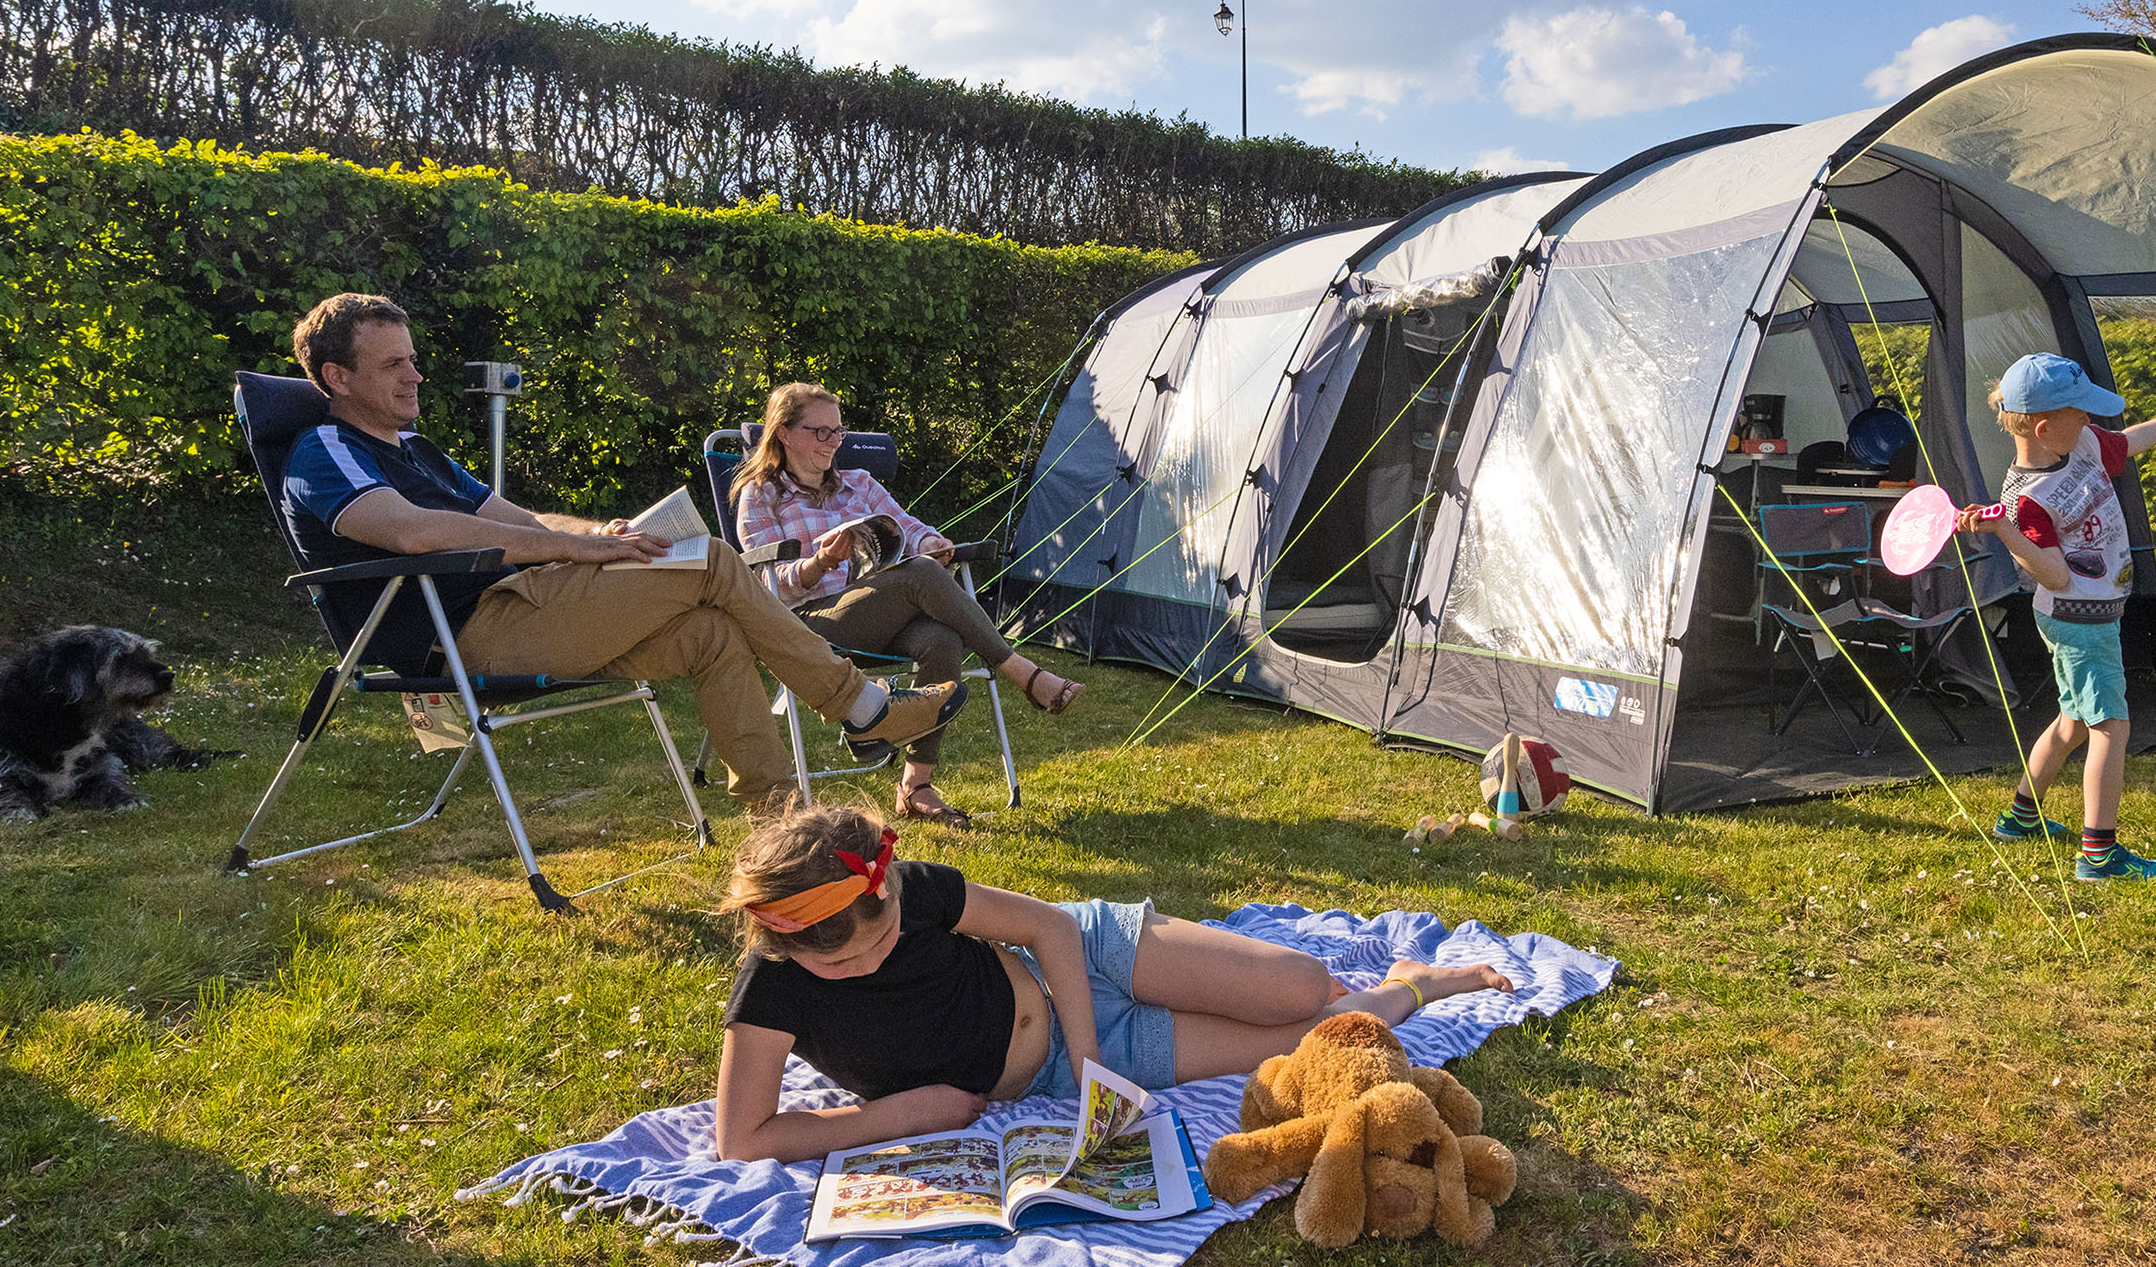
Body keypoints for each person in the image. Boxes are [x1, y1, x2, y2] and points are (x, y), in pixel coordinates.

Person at [277, 294, 959, 813]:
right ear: (337, 376)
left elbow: (518, 517)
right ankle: (861, 706)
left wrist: (598, 537)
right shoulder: (324, 451)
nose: (416, 375)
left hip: (531, 609)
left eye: (414, 359)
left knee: (713, 634)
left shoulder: (419, 451)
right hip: (464, 633)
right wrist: (572, 551)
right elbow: (412, 533)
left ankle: (781, 820)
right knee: (717, 561)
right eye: (393, 364)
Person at [709, 800, 1517, 1162]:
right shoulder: (772, 989)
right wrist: (889, 1116)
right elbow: (743, 1137)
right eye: (843, 964)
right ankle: (1418, 984)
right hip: (1051, 1072)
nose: (871, 959)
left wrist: (1093, 1060)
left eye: (881, 936)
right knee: (1303, 1043)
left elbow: (1048, 926)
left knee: (1304, 987)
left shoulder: (905, 885)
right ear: (783, 944)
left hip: (1085, 960)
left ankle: (1351, 973)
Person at [730, 382, 1082, 830]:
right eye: (821, 432)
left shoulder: (859, 484)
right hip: (810, 625)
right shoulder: (761, 495)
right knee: (919, 575)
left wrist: (932, 541)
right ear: (784, 432)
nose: (834, 443)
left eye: (838, 433)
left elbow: (910, 528)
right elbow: (767, 584)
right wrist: (820, 562)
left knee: (942, 637)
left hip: (877, 612)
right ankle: (1021, 672)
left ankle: (916, 786)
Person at [1965, 353, 2156, 883]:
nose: (2091, 423)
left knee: (2074, 721)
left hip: (2096, 611)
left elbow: (2125, 443)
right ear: (2043, 426)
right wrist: (2006, 531)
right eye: (2081, 414)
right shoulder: (2026, 501)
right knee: (2110, 727)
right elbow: (2053, 575)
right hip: (2077, 620)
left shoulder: (2078, 442)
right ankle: (2099, 855)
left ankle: (2020, 818)